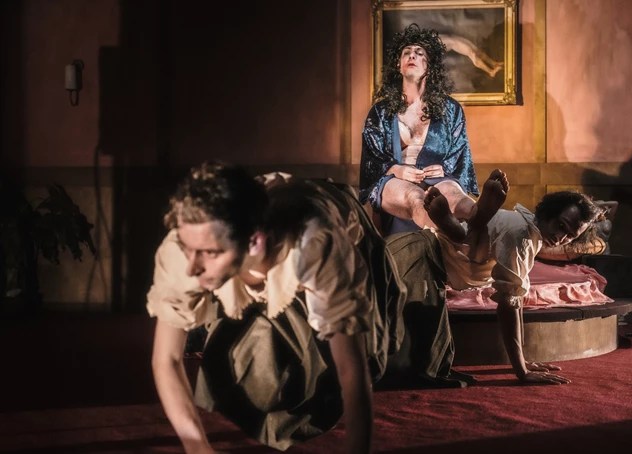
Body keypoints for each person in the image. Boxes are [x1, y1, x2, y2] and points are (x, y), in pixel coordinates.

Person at [146, 161, 455, 453]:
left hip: (343, 226)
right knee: (240, 368)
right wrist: (197, 447)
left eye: (209, 254)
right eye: (188, 250)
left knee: (368, 357)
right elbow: (166, 359)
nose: (191, 268)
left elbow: (352, 368)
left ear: (254, 242)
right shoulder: (186, 246)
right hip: (268, 237)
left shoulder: (315, 246)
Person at [390, 168, 604, 384]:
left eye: (569, 236)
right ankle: (462, 221)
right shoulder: (522, 236)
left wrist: (523, 360)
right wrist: (521, 371)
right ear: (549, 212)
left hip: (416, 255)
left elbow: (516, 300)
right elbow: (508, 305)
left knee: (429, 358)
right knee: (419, 364)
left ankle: (466, 222)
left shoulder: (525, 228)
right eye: (560, 226)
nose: (560, 237)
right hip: (415, 261)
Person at [360, 23, 479, 235]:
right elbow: (371, 161)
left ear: (429, 67)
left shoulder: (450, 110)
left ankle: (480, 214)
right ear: (398, 65)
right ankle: (449, 230)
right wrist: (395, 169)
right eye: (406, 52)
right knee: (416, 198)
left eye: (419, 53)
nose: (412, 56)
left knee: (454, 196)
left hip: (438, 178)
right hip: (394, 181)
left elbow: (460, 154)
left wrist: (444, 168)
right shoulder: (380, 112)